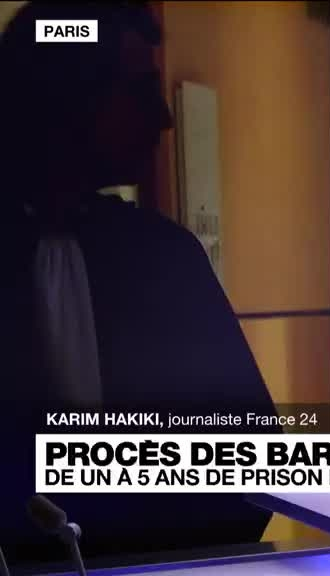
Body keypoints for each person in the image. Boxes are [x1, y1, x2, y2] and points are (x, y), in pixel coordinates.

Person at [0, 2, 277, 565]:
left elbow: (250, 459)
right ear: (66, 97)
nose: (163, 117)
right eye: (140, 91)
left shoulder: (167, 258)